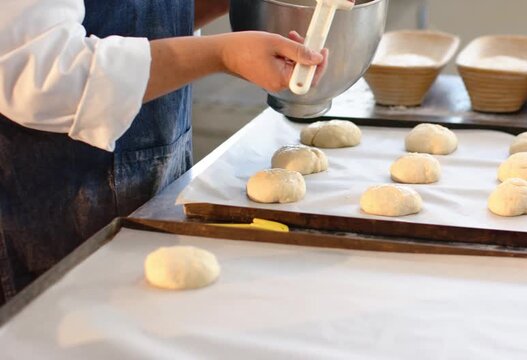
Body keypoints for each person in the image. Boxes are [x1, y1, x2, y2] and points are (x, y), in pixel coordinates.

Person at [0, 0, 328, 305]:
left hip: (154, 185)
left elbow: (137, 15)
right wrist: (221, 55)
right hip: (49, 212)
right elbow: (44, 76)